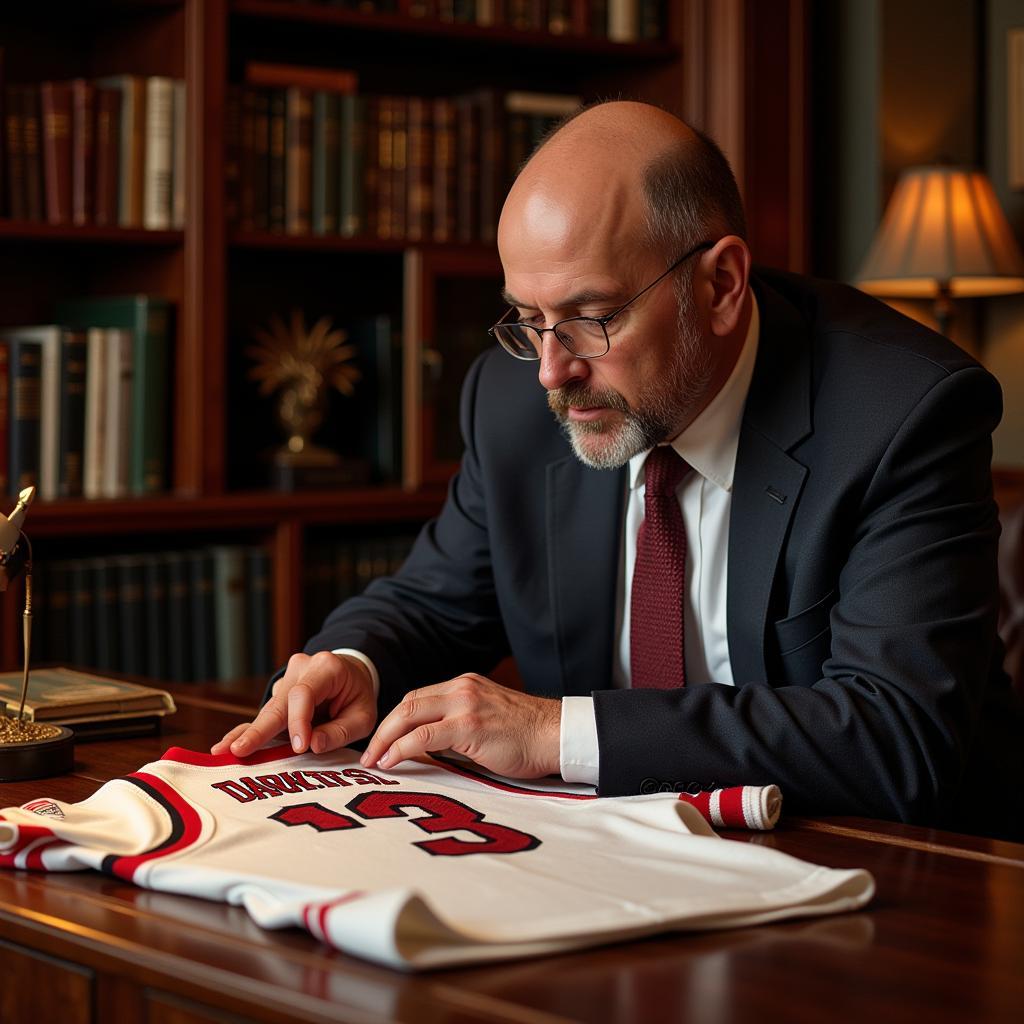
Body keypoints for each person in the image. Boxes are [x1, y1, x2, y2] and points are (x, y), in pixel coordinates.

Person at [214, 101, 1024, 839]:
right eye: (530, 321)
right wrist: (353, 664)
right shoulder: (512, 399)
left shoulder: (902, 413)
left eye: (591, 319)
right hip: (612, 858)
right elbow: (434, 601)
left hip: (904, 878)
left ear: (721, 284)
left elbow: (897, 742)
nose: (550, 370)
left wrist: (552, 732)